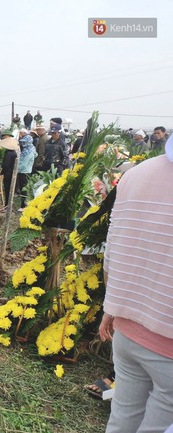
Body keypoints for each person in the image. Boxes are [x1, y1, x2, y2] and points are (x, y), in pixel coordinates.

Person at [99, 138, 173, 432]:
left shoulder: (136, 174)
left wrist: (113, 306)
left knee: (123, 417)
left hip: (127, 330)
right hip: (167, 342)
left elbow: (113, 247)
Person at [17, 130, 37, 211]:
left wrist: (16, 169)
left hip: (24, 172)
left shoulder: (29, 152)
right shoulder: (26, 150)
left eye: (24, 142)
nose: (23, 144)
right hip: (23, 171)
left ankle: (24, 205)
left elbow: (23, 164)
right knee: (23, 189)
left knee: (24, 189)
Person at [0, 131, 19, 207]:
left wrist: (2, 172)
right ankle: (9, 204)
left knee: (7, 190)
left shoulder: (8, 153)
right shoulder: (14, 152)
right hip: (12, 173)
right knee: (10, 190)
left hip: (8, 174)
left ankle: (7, 204)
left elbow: (6, 165)